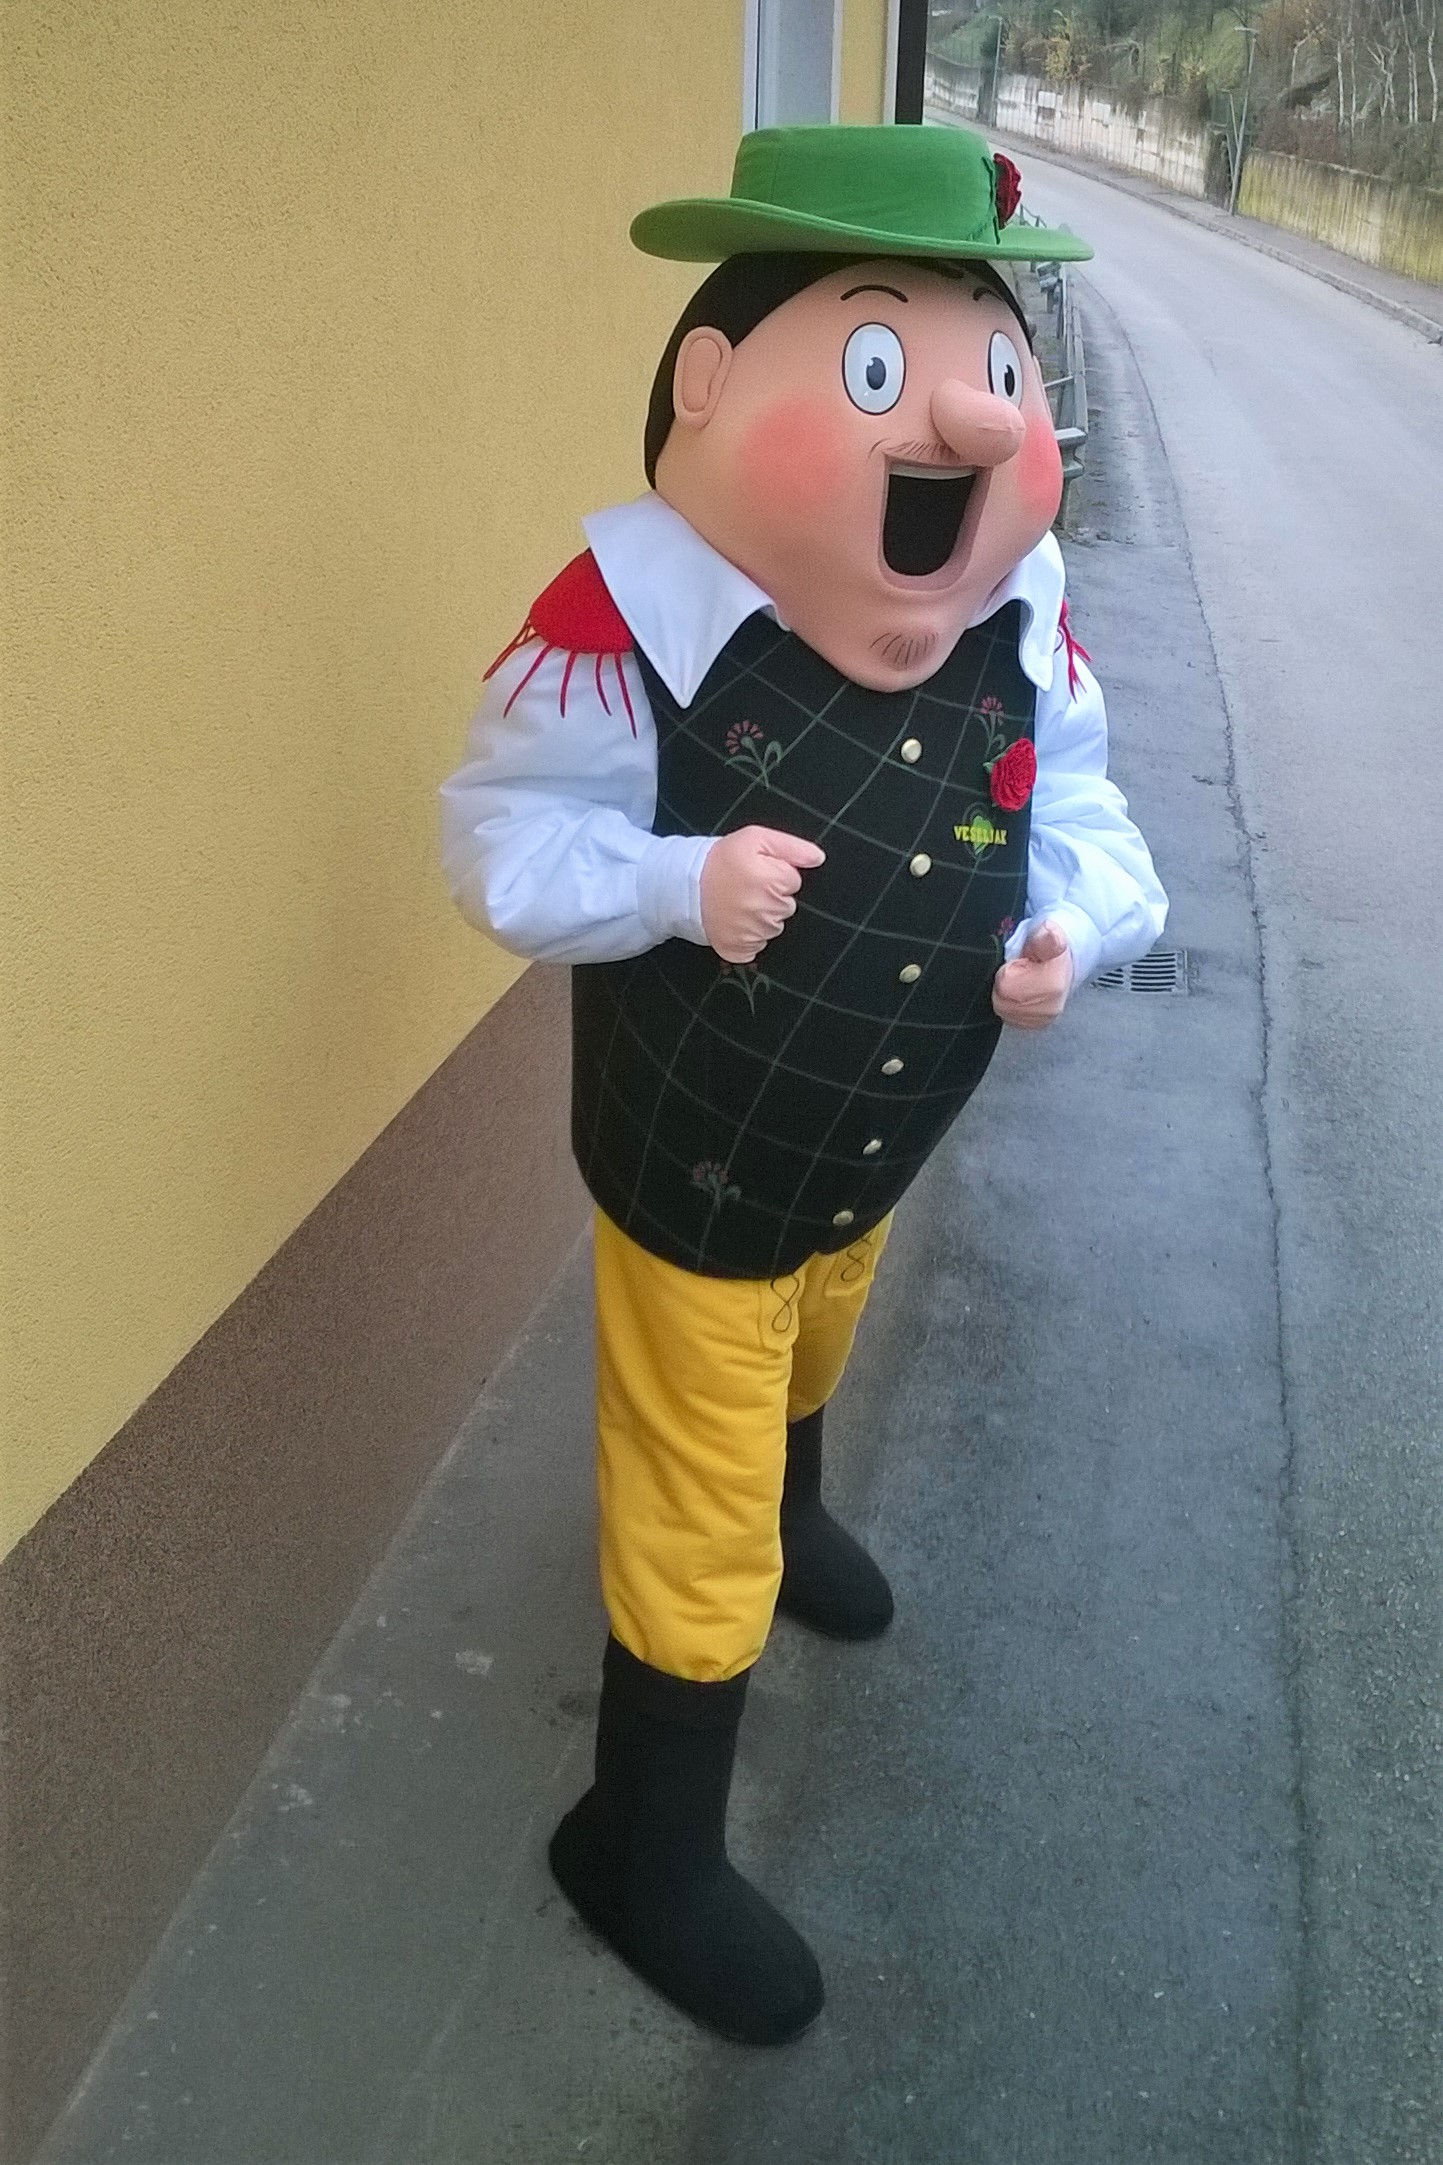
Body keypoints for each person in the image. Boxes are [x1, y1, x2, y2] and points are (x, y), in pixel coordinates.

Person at [440, 122, 1167, 2047]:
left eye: (996, 366)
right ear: (707, 384)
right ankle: (643, 1837)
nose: (965, 419)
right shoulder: (628, 630)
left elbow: (1087, 814)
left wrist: (1071, 927)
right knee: (698, 1506)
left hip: (876, 1142)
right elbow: (499, 846)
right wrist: (677, 883)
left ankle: (803, 1496)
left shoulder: (1021, 618)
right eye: (872, 363)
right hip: (695, 1162)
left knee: (823, 1319)